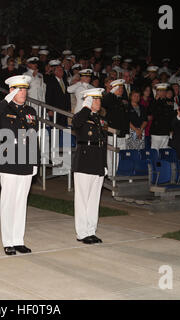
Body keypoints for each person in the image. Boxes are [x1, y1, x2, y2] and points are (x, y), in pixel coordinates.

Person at [0, 75, 38, 255]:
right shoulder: (3, 109)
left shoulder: (31, 110)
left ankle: (18, 240)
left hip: (25, 160)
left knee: (21, 202)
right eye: (19, 89)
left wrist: (34, 161)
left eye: (24, 89)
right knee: (8, 202)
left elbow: (33, 137)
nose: (23, 92)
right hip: (7, 158)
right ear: (11, 91)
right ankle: (8, 241)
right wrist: (4, 102)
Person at [71, 88, 107, 244]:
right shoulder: (82, 115)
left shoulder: (98, 119)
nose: (98, 102)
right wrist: (85, 107)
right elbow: (76, 123)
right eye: (95, 99)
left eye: (99, 99)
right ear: (89, 101)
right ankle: (82, 232)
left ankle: (91, 230)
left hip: (97, 161)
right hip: (84, 162)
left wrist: (104, 164)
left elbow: (101, 143)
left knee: (93, 200)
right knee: (82, 200)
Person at [102, 79, 129, 175]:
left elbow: (126, 117)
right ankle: (110, 174)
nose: (121, 90)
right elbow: (103, 104)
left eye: (122, 87)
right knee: (111, 154)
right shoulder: (109, 98)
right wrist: (110, 93)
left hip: (121, 132)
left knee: (119, 154)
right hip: (112, 131)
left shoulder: (124, 100)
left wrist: (126, 132)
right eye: (118, 88)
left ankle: (116, 172)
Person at [45, 60, 71, 127]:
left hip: (64, 110)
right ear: (54, 72)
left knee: (64, 128)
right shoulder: (51, 81)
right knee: (55, 129)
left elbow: (68, 96)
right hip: (55, 110)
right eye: (59, 70)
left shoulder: (65, 82)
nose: (61, 71)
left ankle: (65, 138)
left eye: (62, 70)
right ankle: (54, 138)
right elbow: (48, 96)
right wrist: (49, 110)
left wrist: (69, 108)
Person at [149, 83, 174, 150]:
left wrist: (171, 129)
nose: (163, 93)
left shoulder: (169, 102)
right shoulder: (153, 101)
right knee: (155, 150)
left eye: (164, 91)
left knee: (164, 151)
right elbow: (150, 112)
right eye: (161, 91)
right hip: (157, 131)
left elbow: (170, 117)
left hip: (166, 130)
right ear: (157, 92)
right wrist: (155, 100)